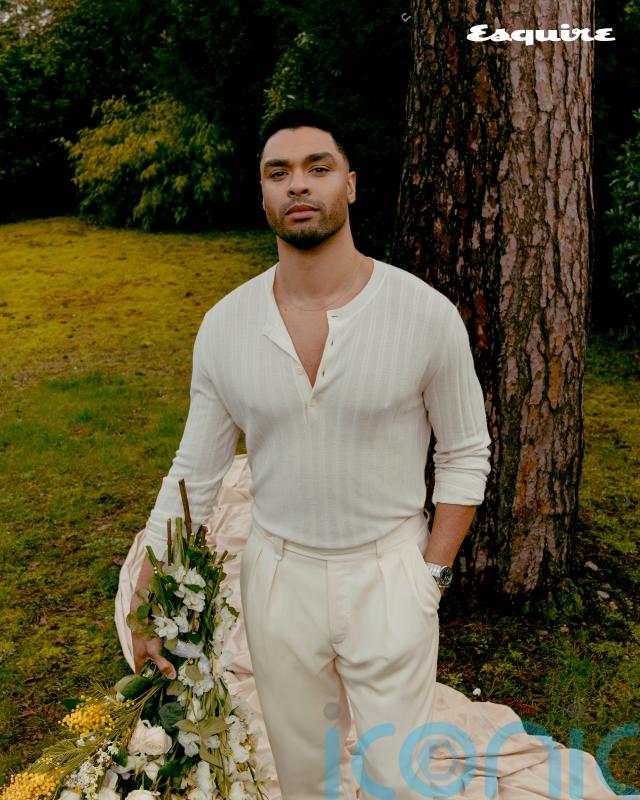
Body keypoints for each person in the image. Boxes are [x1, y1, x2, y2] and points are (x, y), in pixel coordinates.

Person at [130, 107, 492, 799]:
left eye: (317, 168)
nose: (298, 184)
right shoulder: (226, 326)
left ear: (349, 184)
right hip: (278, 578)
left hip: (390, 571)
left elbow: (466, 453)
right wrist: (148, 589)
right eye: (280, 173)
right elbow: (194, 475)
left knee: (400, 779)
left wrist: (431, 576)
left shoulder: (424, 314)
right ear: (263, 193)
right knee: (306, 778)